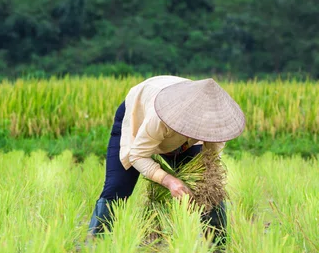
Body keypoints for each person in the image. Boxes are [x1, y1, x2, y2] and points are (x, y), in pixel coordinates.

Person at [87, 75, 246, 243]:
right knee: (118, 186)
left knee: (208, 187)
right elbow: (137, 155)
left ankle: (217, 247)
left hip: (175, 128)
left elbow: (210, 162)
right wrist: (169, 181)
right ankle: (96, 245)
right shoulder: (159, 117)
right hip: (140, 111)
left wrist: (203, 182)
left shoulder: (218, 126)